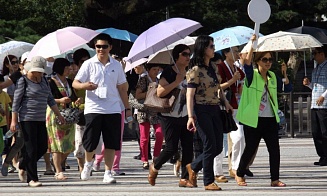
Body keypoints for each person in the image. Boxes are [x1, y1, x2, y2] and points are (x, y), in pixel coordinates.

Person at [72, 33, 132, 184]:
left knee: (111, 142)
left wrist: (127, 107)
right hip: (93, 108)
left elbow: (122, 88)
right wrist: (85, 86)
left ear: (110, 47)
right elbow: (75, 83)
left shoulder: (116, 65)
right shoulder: (88, 64)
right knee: (90, 140)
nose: (101, 49)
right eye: (98, 46)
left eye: (104, 46)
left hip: (113, 108)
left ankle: (108, 172)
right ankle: (87, 164)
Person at [235, 51, 292, 187]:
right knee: (250, 148)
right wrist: (251, 44)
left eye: (270, 60)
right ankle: (240, 173)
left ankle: (275, 179)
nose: (268, 62)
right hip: (254, 119)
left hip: (270, 118)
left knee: (274, 150)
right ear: (258, 61)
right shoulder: (251, 75)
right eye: (264, 59)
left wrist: (285, 74)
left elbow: (287, 88)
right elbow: (247, 65)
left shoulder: (272, 76)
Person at [185, 36, 233, 191]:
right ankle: (208, 181)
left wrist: (226, 103)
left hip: (215, 109)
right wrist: (190, 116)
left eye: (213, 46)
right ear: (203, 48)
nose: (213, 48)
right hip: (201, 109)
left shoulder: (212, 67)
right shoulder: (195, 70)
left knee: (218, 147)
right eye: (211, 46)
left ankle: (193, 166)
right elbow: (190, 95)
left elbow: (218, 88)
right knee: (210, 144)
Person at [11, 56, 65, 187]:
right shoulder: (23, 81)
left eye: (41, 71)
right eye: (37, 71)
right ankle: (32, 179)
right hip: (27, 118)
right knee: (31, 148)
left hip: (41, 118)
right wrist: (14, 121)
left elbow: (50, 99)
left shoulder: (44, 81)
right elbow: (16, 103)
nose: (39, 73)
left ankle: (23, 164)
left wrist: (59, 115)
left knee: (42, 147)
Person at [148, 44, 194, 188]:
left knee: (188, 147)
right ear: (176, 56)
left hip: (186, 114)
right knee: (171, 147)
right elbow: (160, 92)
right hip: (169, 115)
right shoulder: (168, 72)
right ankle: (155, 167)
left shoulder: (190, 71)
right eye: (184, 54)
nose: (188, 57)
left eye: (189, 54)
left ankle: (184, 179)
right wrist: (177, 81)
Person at [46, 58, 80, 180]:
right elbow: (46, 98)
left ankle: (57, 163)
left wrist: (76, 100)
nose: (69, 70)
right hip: (55, 114)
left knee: (69, 143)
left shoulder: (69, 82)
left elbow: (73, 96)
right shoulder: (50, 81)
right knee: (56, 143)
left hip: (68, 115)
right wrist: (60, 101)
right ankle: (58, 171)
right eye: (66, 68)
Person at [303, 45, 327, 166]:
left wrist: (324, 96)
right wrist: (308, 84)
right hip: (314, 104)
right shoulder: (316, 68)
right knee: (316, 132)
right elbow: (315, 87)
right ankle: (322, 156)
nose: (314, 56)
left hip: (324, 105)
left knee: (325, 131)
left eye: (315, 53)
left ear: (322, 54)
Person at [135, 63, 163, 169]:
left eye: (158, 69)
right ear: (148, 70)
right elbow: (138, 95)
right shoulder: (143, 79)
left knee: (160, 134)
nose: (156, 71)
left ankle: (156, 157)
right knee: (144, 137)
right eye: (154, 69)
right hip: (144, 110)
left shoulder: (160, 81)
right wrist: (151, 92)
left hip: (156, 110)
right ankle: (144, 159)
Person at [69, 48, 90, 173]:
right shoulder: (71, 79)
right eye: (82, 61)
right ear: (77, 63)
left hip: (93, 111)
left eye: (87, 60)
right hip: (78, 114)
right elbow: (69, 97)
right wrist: (75, 101)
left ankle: (88, 163)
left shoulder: (94, 75)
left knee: (92, 141)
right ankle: (82, 166)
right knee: (79, 143)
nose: (85, 63)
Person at [0, 74, 11, 176]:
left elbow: (7, 109)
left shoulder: (4, 95)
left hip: (2, 124)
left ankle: (4, 162)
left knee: (5, 144)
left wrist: (8, 122)